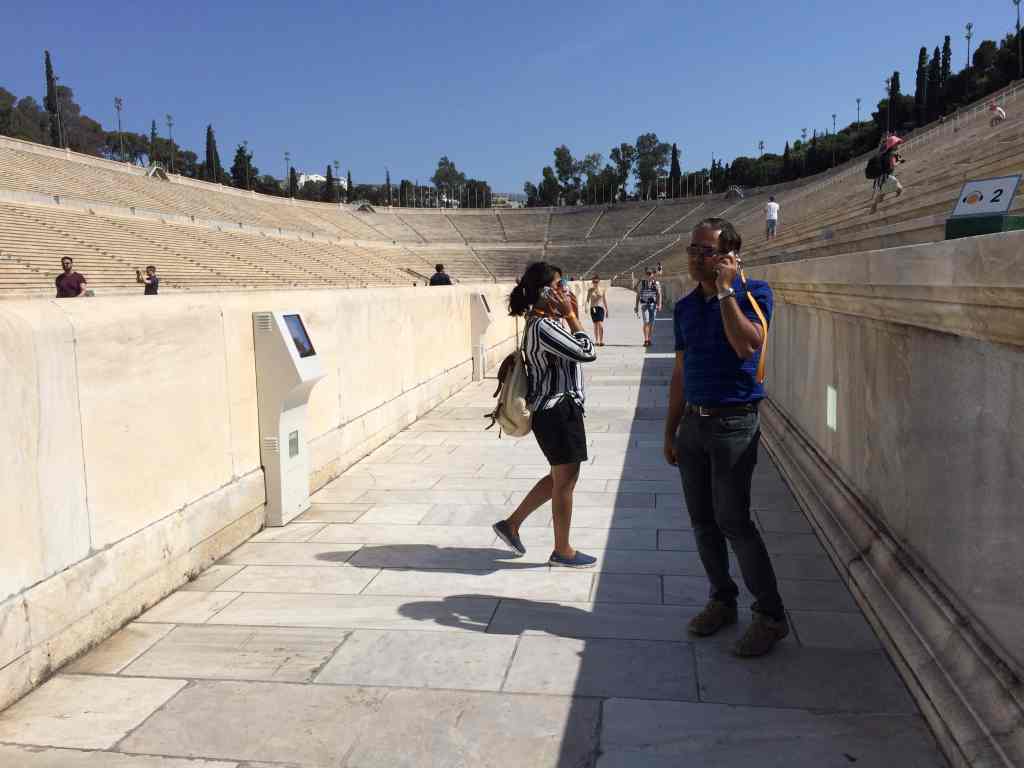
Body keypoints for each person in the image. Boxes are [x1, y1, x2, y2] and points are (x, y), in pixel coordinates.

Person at [663, 217, 788, 658]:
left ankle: (770, 616)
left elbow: (746, 344)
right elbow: (681, 371)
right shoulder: (684, 308)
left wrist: (726, 291)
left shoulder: (757, 295)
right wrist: (671, 428)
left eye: (706, 251)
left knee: (733, 520)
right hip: (694, 425)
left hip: (735, 423)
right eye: (693, 250)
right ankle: (721, 599)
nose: (696, 257)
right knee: (702, 522)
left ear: (730, 256)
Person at [492, 261, 598, 568]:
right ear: (545, 293)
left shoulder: (540, 322)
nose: (564, 290)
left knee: (559, 477)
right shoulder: (545, 326)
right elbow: (588, 351)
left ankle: (511, 525)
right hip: (557, 411)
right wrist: (573, 316)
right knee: (566, 481)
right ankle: (562, 550)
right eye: (559, 286)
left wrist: (566, 315)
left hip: (555, 411)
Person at [870, 140, 904, 214]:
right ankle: (897, 204)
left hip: (881, 178)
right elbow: (893, 165)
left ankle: (874, 206)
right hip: (886, 177)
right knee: (900, 189)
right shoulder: (890, 154)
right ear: (893, 145)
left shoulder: (884, 154)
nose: (898, 146)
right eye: (897, 144)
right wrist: (899, 161)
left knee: (882, 194)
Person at [634, 268, 662, 346]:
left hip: (653, 305)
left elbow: (659, 294)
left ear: (653, 274)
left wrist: (659, 304)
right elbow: (638, 294)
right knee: (646, 322)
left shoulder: (656, 283)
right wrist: (636, 306)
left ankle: (649, 339)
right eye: (647, 274)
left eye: (650, 274)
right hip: (644, 304)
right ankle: (646, 340)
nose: (649, 275)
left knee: (651, 323)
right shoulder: (642, 283)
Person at [585, 274, 608, 346]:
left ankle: (601, 340)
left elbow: (604, 300)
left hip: (600, 308)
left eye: (596, 282)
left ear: (599, 281)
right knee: (595, 325)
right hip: (593, 308)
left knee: (600, 324)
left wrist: (607, 309)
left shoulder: (602, 289)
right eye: (594, 282)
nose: (595, 283)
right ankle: (597, 340)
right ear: (592, 282)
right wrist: (586, 307)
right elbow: (587, 300)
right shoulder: (590, 290)